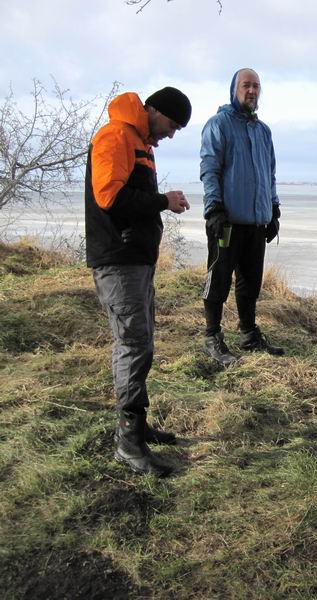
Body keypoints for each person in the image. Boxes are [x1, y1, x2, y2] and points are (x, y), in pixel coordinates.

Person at [85, 87, 192, 477]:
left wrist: (162, 204)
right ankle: (128, 442)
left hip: (136, 260)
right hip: (118, 259)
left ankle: (138, 425)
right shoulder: (115, 136)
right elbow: (110, 197)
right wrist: (163, 201)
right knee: (132, 343)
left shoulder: (139, 142)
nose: (171, 134)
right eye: (172, 125)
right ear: (153, 110)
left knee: (142, 342)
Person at [199, 67, 284, 366]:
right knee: (219, 279)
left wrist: (273, 208)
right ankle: (212, 337)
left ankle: (249, 333)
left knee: (251, 283)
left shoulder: (264, 131)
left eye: (257, 86)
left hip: (256, 222)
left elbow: (269, 173)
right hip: (227, 221)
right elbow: (210, 169)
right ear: (234, 89)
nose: (252, 91)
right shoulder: (218, 124)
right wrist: (214, 208)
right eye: (246, 85)